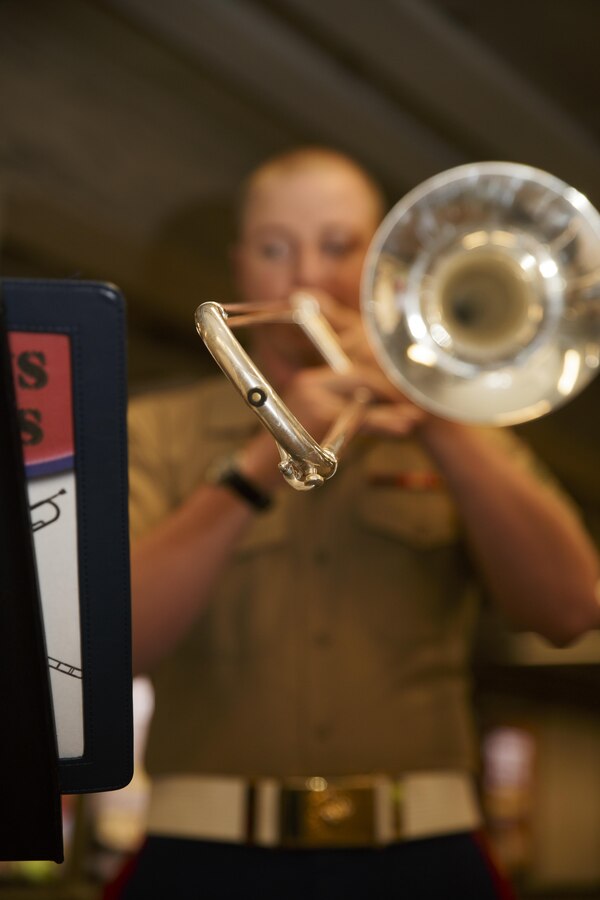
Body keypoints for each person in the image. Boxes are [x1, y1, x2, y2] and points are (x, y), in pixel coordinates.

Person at [115, 148, 600, 899]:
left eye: (339, 246)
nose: (308, 277)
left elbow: (570, 611)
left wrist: (440, 420)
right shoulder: (154, 430)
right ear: (243, 267)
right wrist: (257, 454)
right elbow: (113, 643)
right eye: (277, 248)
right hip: (203, 852)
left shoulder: (462, 423)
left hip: (427, 853)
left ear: (384, 259)